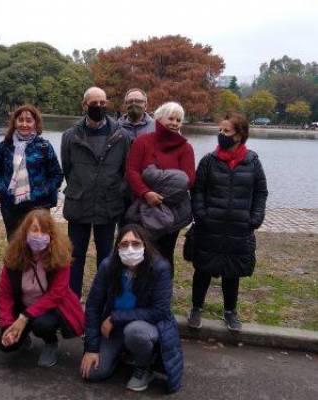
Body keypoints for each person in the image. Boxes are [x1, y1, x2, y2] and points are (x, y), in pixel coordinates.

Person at [188, 113, 268, 332]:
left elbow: (261, 192)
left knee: (232, 271)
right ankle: (196, 307)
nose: (221, 135)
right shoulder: (208, 161)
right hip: (210, 225)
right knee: (203, 268)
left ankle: (230, 311)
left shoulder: (253, 162)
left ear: (239, 135)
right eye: (220, 130)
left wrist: (255, 217)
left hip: (239, 226)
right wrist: (201, 214)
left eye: (226, 131)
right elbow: (197, 191)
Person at [80, 224, 183, 393]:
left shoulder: (159, 268)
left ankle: (143, 367)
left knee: (135, 332)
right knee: (91, 373)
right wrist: (91, 348)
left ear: (145, 245)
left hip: (144, 327)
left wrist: (115, 317)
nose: (130, 248)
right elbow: (93, 306)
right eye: (124, 244)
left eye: (136, 244)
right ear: (117, 247)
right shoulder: (108, 266)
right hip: (114, 331)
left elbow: (160, 312)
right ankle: (122, 354)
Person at [61, 86, 131, 298]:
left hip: (108, 205)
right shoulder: (70, 136)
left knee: (106, 256)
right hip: (78, 203)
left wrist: (114, 190)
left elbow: (125, 170)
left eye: (103, 103)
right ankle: (72, 300)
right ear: (84, 105)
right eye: (94, 103)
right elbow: (67, 169)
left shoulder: (122, 136)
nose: (99, 107)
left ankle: (103, 299)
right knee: (75, 256)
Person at [0, 209, 85, 367]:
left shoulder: (60, 257)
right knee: (5, 345)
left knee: (41, 324)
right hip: (22, 305)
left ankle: (51, 343)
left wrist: (24, 318)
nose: (39, 235)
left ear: (51, 235)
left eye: (44, 231)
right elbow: (5, 293)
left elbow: (56, 295)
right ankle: (23, 336)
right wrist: (7, 323)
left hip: (48, 307)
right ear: (25, 232)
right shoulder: (14, 256)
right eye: (34, 230)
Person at [126, 101, 195, 277]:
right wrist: (146, 193)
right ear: (159, 118)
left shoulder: (186, 148)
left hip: (173, 211)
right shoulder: (142, 142)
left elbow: (189, 179)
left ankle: (162, 297)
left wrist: (162, 192)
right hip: (143, 207)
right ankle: (140, 292)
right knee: (142, 253)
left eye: (178, 120)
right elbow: (132, 171)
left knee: (165, 254)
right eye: (170, 118)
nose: (174, 123)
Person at [0, 105, 63, 240]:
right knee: (14, 245)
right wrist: (3, 189)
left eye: (28, 120)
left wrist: (41, 191)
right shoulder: (5, 146)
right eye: (20, 120)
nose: (24, 124)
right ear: (14, 122)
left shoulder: (44, 147)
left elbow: (57, 175)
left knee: (38, 244)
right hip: (10, 206)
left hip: (39, 206)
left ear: (35, 123)